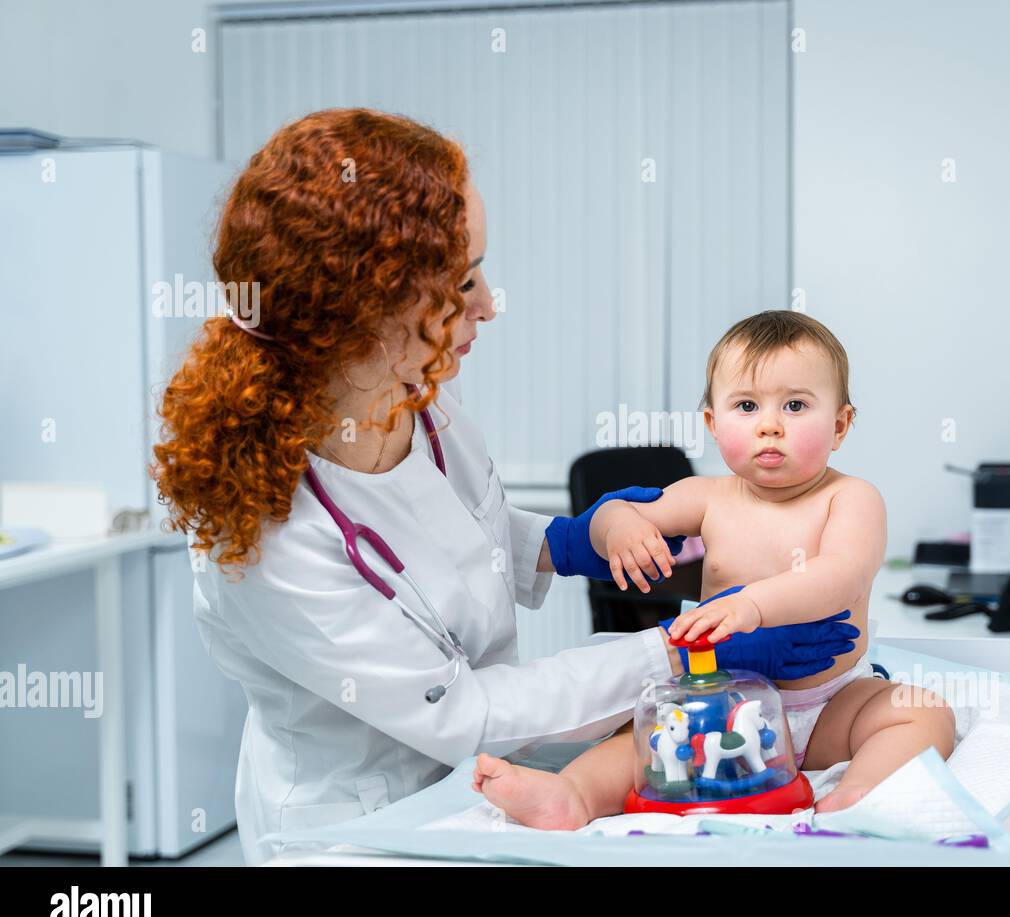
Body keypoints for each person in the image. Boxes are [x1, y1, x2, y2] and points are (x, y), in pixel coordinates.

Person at [151, 110, 857, 864]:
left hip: (473, 786)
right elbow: (463, 712)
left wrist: (568, 541)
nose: (487, 302)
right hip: (352, 828)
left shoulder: (416, 398)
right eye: (461, 281)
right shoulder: (267, 540)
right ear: (365, 313)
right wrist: (679, 655)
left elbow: (457, 535)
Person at [474, 311, 956, 827]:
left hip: (830, 702)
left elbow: (842, 574)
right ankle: (572, 795)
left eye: (795, 405)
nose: (770, 424)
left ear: (839, 425)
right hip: (717, 703)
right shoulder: (708, 498)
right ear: (712, 423)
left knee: (921, 712)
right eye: (746, 406)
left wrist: (751, 604)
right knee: (639, 740)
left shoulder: (852, 498)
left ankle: (857, 790)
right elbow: (619, 512)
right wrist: (616, 527)